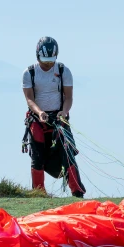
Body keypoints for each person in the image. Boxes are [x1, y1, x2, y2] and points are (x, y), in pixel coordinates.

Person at [22, 36, 86, 197]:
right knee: (38, 156)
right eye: (45, 60)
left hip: (59, 118)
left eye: (51, 61)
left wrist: (63, 112)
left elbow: (69, 97)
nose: (48, 64)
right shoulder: (29, 72)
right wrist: (40, 113)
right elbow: (29, 99)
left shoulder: (64, 70)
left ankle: (77, 192)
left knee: (67, 153)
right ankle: (38, 193)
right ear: (37, 56)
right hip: (38, 119)